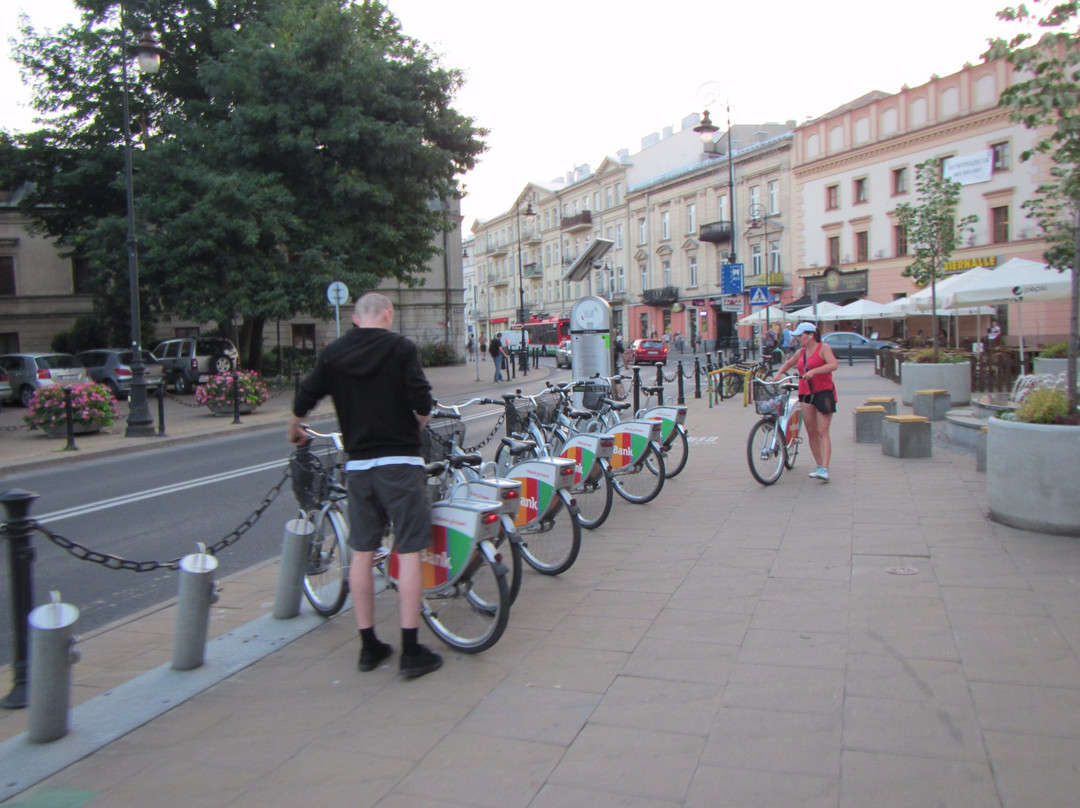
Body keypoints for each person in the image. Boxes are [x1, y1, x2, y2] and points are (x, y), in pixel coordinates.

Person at [287, 293, 442, 679]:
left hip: (359, 466)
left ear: (355, 319)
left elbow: (306, 395)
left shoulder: (334, 352)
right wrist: (417, 424)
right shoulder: (401, 347)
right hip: (400, 464)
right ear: (387, 315)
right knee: (408, 552)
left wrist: (294, 427)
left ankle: (369, 646)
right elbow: (422, 401)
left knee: (362, 551)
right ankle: (410, 651)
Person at [773, 321, 838, 482]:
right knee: (811, 431)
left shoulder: (823, 348)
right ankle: (819, 465)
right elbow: (789, 363)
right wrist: (779, 373)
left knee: (823, 431)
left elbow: (833, 365)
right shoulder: (801, 353)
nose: (797, 338)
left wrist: (815, 371)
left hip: (824, 392)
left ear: (811, 335)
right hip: (806, 393)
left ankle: (825, 467)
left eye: (800, 335)